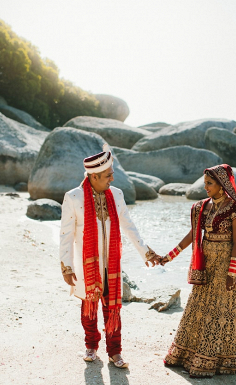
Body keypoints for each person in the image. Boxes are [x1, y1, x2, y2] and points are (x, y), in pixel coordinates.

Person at [59, 144, 162, 369]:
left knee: (112, 309)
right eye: (108, 175)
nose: (112, 179)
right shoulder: (74, 197)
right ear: (94, 176)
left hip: (111, 265)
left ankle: (115, 352)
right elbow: (65, 235)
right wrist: (66, 267)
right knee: (89, 308)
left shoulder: (116, 195)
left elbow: (128, 225)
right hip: (86, 266)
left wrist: (145, 251)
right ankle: (91, 346)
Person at [162, 164, 236, 377]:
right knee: (199, 308)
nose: (205, 187)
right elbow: (192, 235)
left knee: (223, 311)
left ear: (222, 185)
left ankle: (224, 360)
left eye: (209, 184)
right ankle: (188, 355)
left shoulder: (235, 210)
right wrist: (169, 256)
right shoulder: (201, 207)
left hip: (226, 267)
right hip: (206, 266)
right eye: (205, 183)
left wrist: (232, 273)